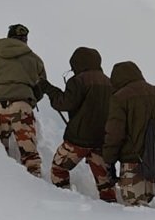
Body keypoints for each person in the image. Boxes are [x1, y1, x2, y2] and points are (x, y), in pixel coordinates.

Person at [41, 47, 117, 202]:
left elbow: (63, 103)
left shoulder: (78, 80)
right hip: (101, 141)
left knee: (59, 168)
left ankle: (64, 199)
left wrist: (49, 89)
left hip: (78, 140)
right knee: (105, 182)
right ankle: (111, 207)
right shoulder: (110, 83)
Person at [102, 61, 155, 207]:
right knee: (144, 209)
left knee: (135, 212)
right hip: (154, 166)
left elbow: (114, 134)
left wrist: (109, 161)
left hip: (132, 165)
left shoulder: (120, 98)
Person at [0, 23, 46, 177]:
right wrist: (30, 100)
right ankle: (35, 184)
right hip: (22, 107)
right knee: (30, 155)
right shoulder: (34, 59)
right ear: (25, 39)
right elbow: (41, 86)